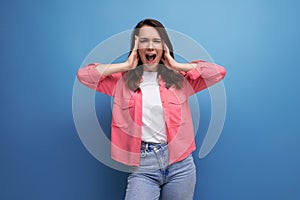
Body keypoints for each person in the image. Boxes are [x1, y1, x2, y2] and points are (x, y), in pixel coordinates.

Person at [77, 18, 226, 200]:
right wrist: (125, 66)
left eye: (156, 41)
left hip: (181, 166)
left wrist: (177, 65)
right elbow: (84, 75)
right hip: (143, 167)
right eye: (144, 41)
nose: (150, 46)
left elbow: (218, 72)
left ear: (164, 46)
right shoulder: (121, 81)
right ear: (136, 47)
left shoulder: (180, 79)